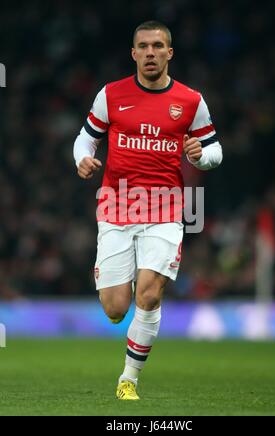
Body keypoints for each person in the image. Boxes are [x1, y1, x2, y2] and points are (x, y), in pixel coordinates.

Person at [73, 20, 223, 400]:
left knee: (150, 294)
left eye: (158, 46)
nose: (151, 52)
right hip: (116, 205)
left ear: (169, 53)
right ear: (134, 53)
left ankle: (129, 379)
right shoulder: (111, 95)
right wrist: (82, 160)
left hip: (165, 207)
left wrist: (201, 155)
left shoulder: (190, 100)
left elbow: (215, 150)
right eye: (144, 46)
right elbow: (85, 140)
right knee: (114, 308)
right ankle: (127, 299)